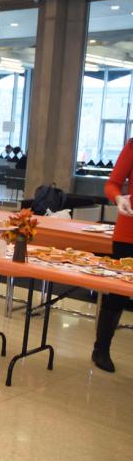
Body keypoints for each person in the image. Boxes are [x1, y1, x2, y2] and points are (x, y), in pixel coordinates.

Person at [95, 139, 133, 372]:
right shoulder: (132, 146)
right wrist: (119, 198)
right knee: (117, 294)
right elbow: (112, 184)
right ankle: (101, 348)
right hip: (128, 234)